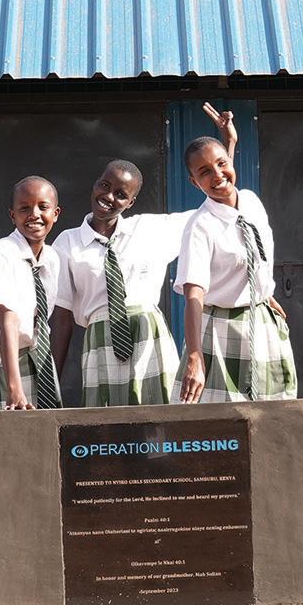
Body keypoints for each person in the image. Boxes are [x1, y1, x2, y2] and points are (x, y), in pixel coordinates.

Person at [51, 106, 239, 407]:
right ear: (96, 183)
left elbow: (218, 203)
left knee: (158, 423)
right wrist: (50, 387)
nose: (109, 197)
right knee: (106, 427)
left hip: (150, 339)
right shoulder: (67, 242)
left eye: (121, 194)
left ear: (131, 202)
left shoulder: (151, 229)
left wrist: (228, 144)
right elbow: (62, 320)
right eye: (105, 186)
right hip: (100, 342)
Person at [176, 131, 296, 403]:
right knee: (221, 415)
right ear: (194, 182)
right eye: (205, 172)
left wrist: (263, 292)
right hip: (219, 329)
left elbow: (256, 258)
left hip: (261, 321)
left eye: (222, 163)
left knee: (273, 410)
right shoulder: (200, 226)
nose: (217, 175)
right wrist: (194, 356)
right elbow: (194, 295)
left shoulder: (251, 202)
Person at [0, 176, 65, 412]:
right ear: (13, 215)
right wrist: (14, 388)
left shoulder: (51, 258)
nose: (34, 215)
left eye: (43, 207)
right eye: (24, 208)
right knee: (2, 435)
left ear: (55, 214)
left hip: (39, 362)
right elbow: (8, 322)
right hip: (3, 366)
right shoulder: (3, 252)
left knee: (46, 434)